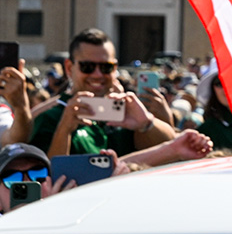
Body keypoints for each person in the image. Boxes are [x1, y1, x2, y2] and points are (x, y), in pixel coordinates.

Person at [30, 29, 176, 158]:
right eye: (88, 66)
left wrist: (146, 123)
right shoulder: (50, 118)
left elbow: (173, 150)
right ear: (69, 67)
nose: (98, 74)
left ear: (115, 68)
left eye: (106, 67)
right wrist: (64, 131)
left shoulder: (125, 111)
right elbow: (47, 176)